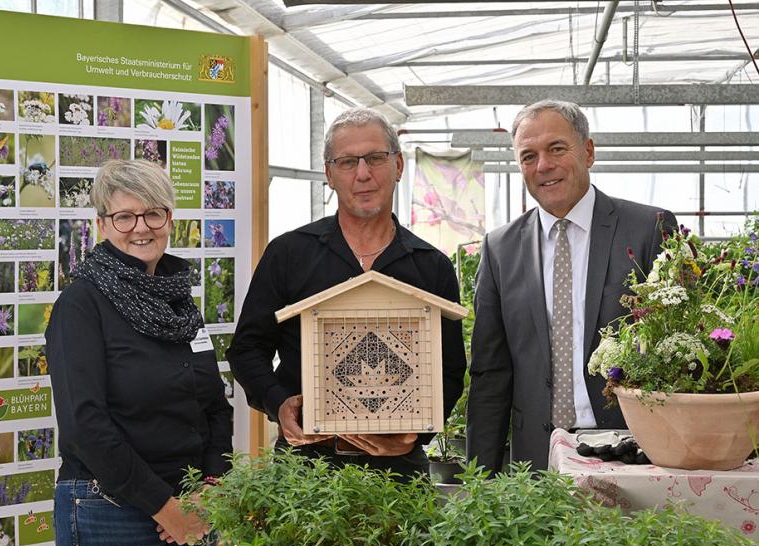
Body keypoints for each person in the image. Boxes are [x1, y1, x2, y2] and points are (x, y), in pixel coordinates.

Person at [227, 107, 466, 477]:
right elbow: (246, 350)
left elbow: (450, 369)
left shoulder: (430, 266)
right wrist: (279, 404)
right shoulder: (289, 253)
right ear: (329, 174)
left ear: (398, 166)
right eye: (347, 162)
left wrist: (417, 433)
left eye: (375, 158)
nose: (363, 173)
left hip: (398, 470)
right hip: (307, 467)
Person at [466, 100, 678, 475]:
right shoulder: (500, 248)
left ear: (589, 151)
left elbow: (678, 353)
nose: (543, 165)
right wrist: (479, 479)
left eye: (557, 149)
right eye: (528, 156)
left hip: (632, 452)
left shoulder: (648, 230)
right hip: (535, 457)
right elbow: (490, 373)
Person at [46, 159, 232, 546]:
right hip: (108, 510)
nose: (141, 227)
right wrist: (165, 508)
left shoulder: (179, 303)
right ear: (102, 225)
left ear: (169, 218)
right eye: (125, 216)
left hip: (192, 503)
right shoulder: (81, 305)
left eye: (153, 213)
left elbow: (216, 406)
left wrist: (211, 486)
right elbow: (85, 426)